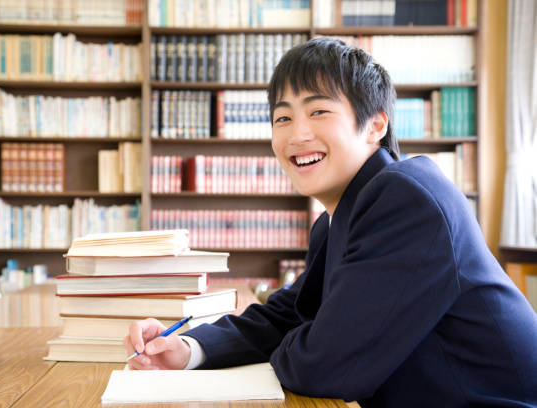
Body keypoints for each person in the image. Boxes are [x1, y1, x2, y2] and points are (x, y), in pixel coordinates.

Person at [124, 38, 537, 407]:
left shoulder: (407, 200)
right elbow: (288, 315)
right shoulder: (339, 216)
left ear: (376, 125)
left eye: (318, 111)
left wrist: (308, 340)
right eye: (282, 118)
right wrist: (187, 346)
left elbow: (329, 366)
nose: (297, 135)